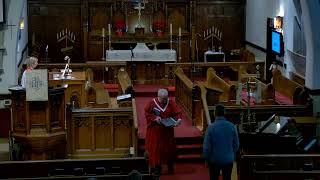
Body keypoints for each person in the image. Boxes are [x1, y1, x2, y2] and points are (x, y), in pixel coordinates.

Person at [144, 88, 182, 175]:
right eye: (163, 99)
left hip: (167, 131)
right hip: (156, 131)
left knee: (169, 149)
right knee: (157, 149)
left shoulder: (171, 102)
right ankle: (157, 167)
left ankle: (170, 166)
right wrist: (154, 118)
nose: (165, 101)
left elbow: (178, 112)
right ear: (158, 97)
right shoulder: (151, 103)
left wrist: (178, 120)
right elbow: (147, 113)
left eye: (166, 98)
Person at [203, 104, 239, 180]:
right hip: (228, 159)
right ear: (224, 113)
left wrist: (206, 158)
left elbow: (207, 148)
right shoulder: (232, 126)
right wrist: (231, 154)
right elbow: (236, 145)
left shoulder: (210, 128)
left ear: (214, 113)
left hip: (214, 160)